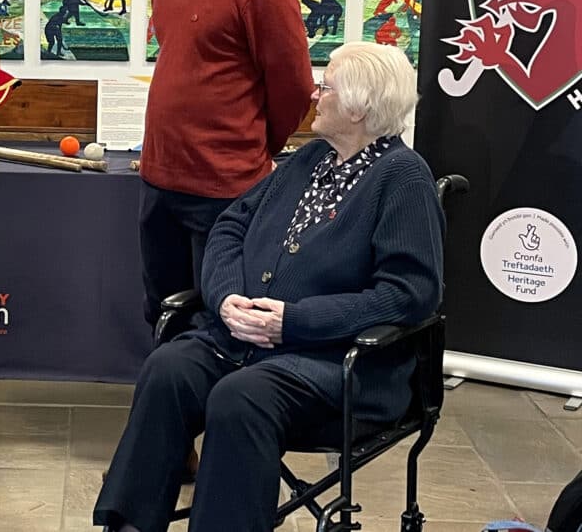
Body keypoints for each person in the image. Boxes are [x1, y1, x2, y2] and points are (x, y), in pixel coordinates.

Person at [94, 42, 446, 532]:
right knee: (169, 368)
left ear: (359, 107)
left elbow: (410, 294)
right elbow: (229, 227)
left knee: (241, 398)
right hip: (244, 341)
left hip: (338, 361)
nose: (314, 94)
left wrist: (294, 322)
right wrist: (226, 298)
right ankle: (128, 525)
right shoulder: (313, 159)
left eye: (326, 87)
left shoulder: (403, 178)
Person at [139, 0, 313, 330]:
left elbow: (294, 90)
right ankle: (169, 404)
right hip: (158, 183)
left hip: (225, 193)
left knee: (222, 322)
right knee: (162, 314)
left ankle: (216, 409)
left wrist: (246, 150)